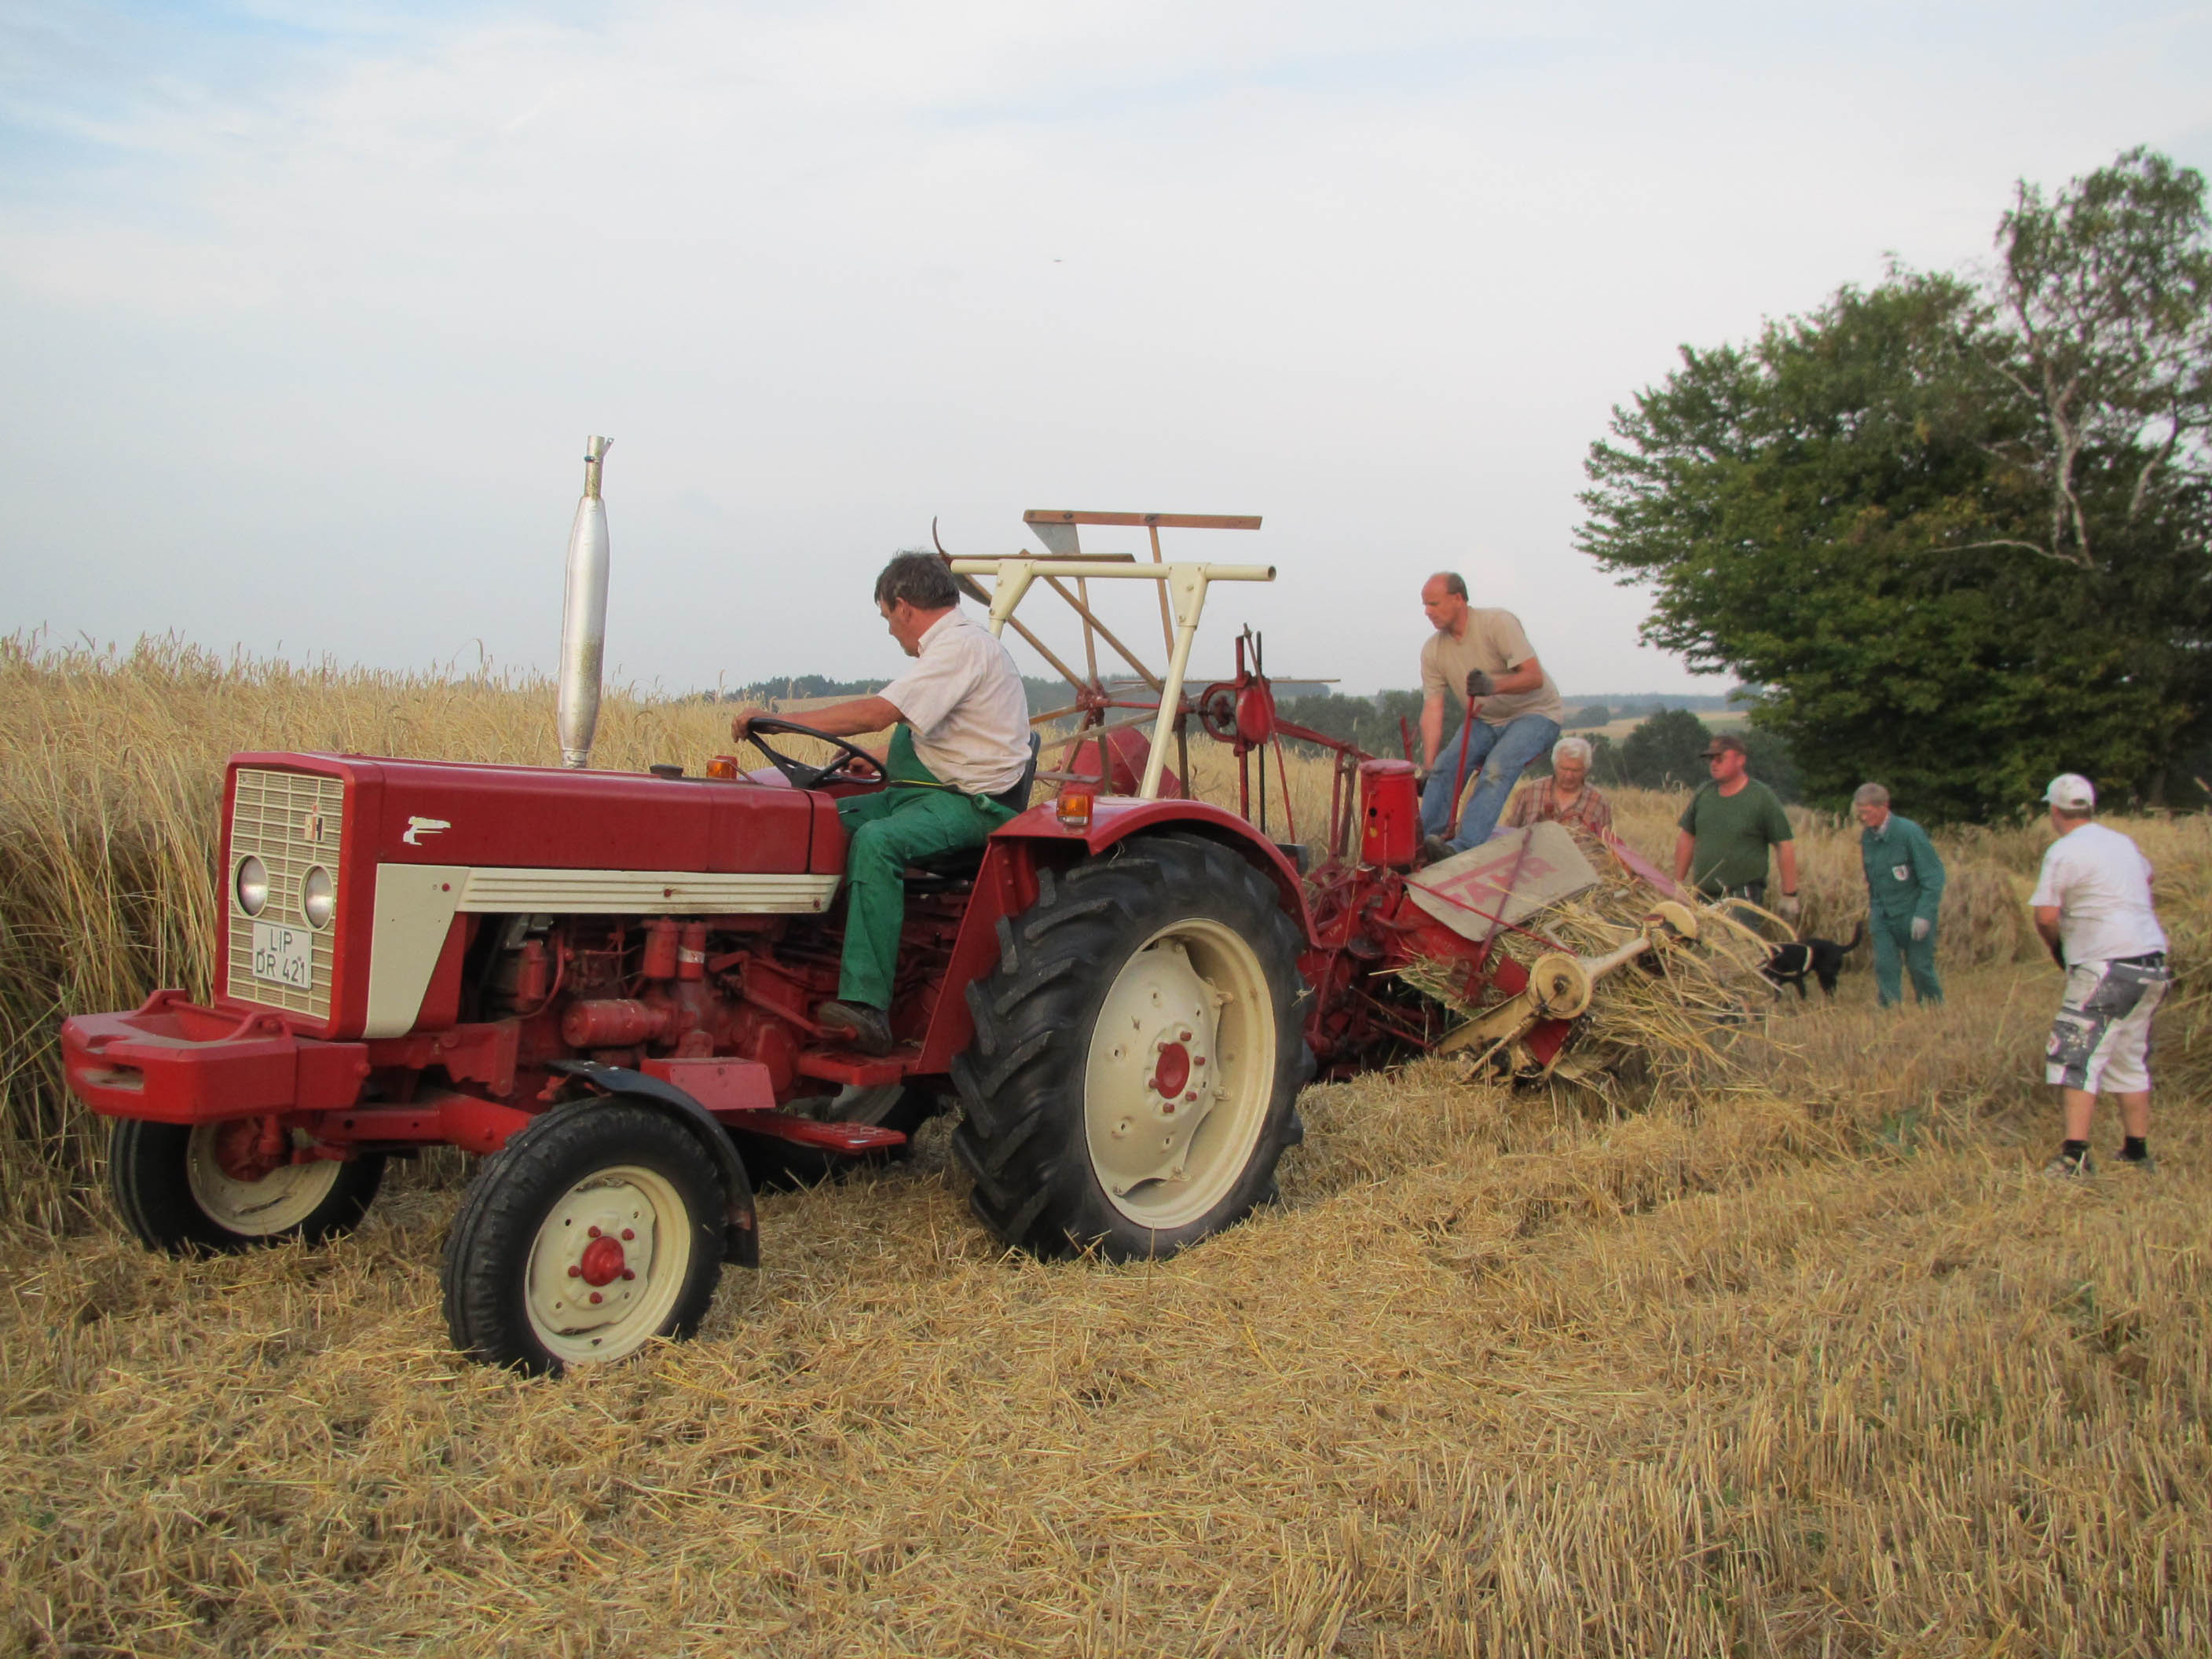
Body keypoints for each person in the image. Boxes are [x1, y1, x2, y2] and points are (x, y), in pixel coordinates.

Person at [730, 552, 1031, 1055]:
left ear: (903, 606)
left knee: (876, 842)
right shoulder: (951, 653)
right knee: (815, 821)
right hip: (917, 793)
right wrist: (870, 758)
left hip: (971, 805)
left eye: (888, 618)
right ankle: (790, 960)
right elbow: (933, 737)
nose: (891, 631)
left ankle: (867, 1007)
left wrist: (779, 720)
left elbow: (879, 712)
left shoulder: (960, 648)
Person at [2030, 773, 2170, 1177]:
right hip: (2152, 963)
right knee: (2128, 1054)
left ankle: (2075, 1156)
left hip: (2105, 962)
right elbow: (2148, 875)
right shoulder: (2122, 843)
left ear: (2055, 811)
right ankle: (2137, 1151)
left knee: (2076, 1054)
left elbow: (2045, 915)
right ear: (2088, 807)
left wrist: (2059, 948)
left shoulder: (2064, 851)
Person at [1415, 573, 1564, 862]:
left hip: (1535, 714)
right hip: (1485, 719)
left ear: (1458, 599)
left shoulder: (1498, 623)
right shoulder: (1433, 650)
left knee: (1496, 769)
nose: (1427, 612)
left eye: (1433, 604)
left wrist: (1493, 685)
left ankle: (1463, 848)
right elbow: (1433, 708)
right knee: (1445, 769)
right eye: (1425, 605)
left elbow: (1533, 677)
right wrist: (1429, 765)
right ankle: (1423, 849)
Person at [1672, 734, 1800, 922]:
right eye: (1711, 759)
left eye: (1720, 758)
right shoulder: (1704, 794)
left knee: (1738, 947)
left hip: (1742, 897)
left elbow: (1783, 845)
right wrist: (1679, 884)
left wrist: (1789, 894)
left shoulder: (1761, 797)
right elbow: (1687, 837)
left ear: (1740, 760)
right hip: (1704, 895)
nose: (1714, 764)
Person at [1852, 782, 1945, 1006]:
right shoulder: (1868, 837)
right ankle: (1889, 1010)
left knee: (1919, 967)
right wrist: (1875, 909)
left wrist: (1924, 915)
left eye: (1866, 812)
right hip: (1883, 913)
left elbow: (1933, 877)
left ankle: (1932, 1008)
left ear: (1884, 806)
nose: (1862, 818)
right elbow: (1872, 878)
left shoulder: (1909, 833)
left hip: (1912, 912)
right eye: (1859, 813)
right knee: (1885, 965)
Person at [1499, 734, 1613, 839]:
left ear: (1586, 770)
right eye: (1564, 768)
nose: (1569, 776)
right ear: (1554, 765)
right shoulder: (1529, 793)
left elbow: (1605, 850)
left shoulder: (1599, 802)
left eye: (1575, 770)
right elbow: (1507, 836)